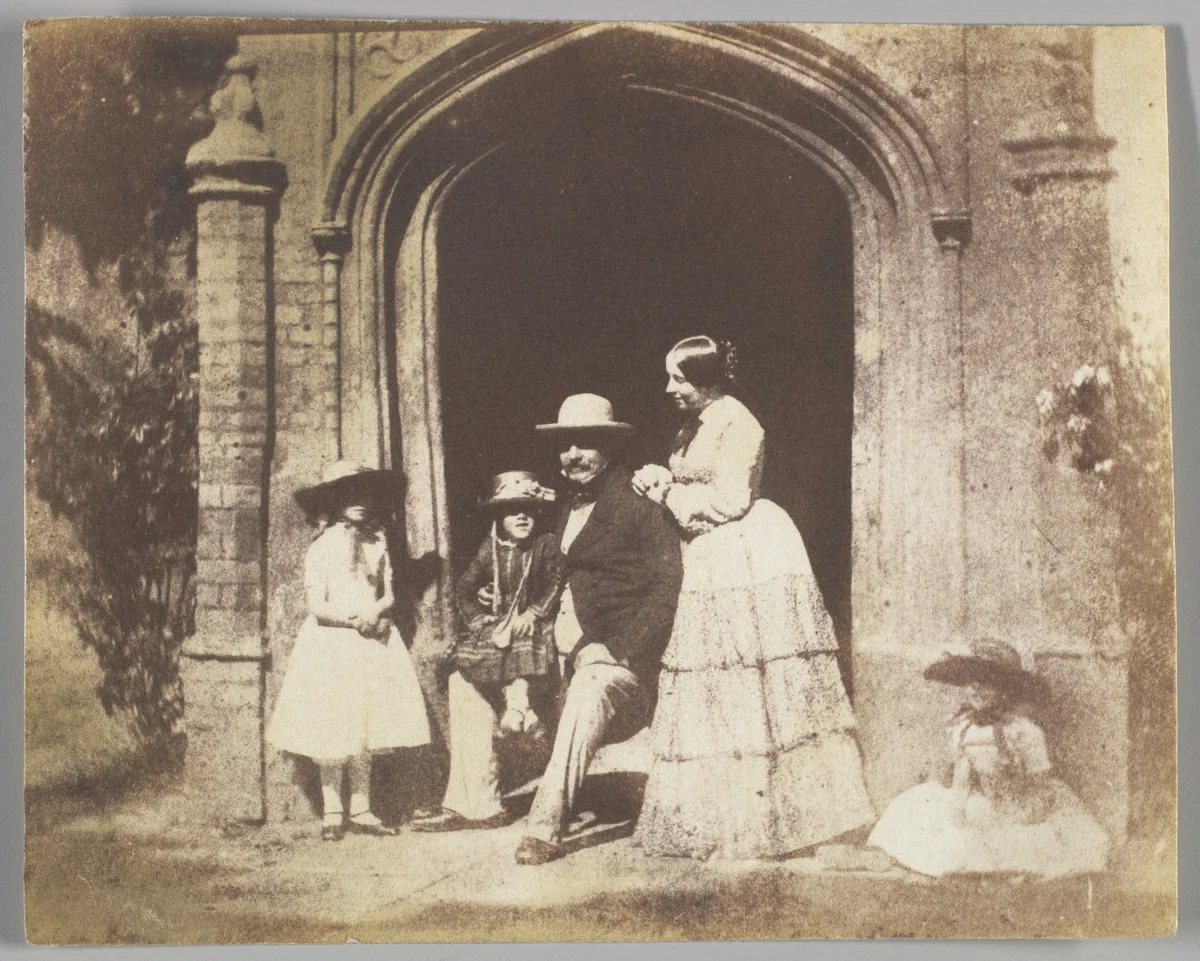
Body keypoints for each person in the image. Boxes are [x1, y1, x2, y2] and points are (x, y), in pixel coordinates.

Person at [631, 335, 874, 860]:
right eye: (670, 377)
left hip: (745, 552)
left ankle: (779, 820)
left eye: (680, 378)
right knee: (716, 682)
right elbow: (694, 477)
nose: (670, 388)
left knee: (752, 677)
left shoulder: (740, 422)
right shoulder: (693, 424)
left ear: (708, 379)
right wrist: (661, 475)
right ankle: (717, 818)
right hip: (709, 554)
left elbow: (730, 500)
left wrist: (667, 493)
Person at [513, 393, 684, 865]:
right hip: (558, 650)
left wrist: (618, 649)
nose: (572, 455)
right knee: (466, 680)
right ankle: (472, 801)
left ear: (609, 447)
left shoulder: (639, 505)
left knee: (590, 687)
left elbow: (667, 588)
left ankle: (544, 826)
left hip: (618, 662)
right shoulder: (563, 505)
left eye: (585, 444)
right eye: (565, 445)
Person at [266, 461, 431, 840]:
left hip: (373, 640)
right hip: (333, 642)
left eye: (365, 493)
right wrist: (354, 619)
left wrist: (376, 612)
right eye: (348, 493)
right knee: (335, 724)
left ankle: (362, 808)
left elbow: (388, 593)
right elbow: (317, 606)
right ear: (334, 500)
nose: (359, 501)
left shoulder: (378, 542)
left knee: (366, 724)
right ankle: (332, 811)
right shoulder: (322, 547)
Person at [867, 637, 1110, 878]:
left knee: (1029, 840)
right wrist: (959, 811)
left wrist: (1025, 810)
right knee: (943, 819)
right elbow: (961, 779)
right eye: (972, 681)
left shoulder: (1023, 731)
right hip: (983, 799)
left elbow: (1039, 782)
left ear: (1006, 690)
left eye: (986, 682)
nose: (976, 688)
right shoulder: (964, 729)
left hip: (1021, 800)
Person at [450, 471, 562, 735]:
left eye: (528, 510)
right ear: (499, 517)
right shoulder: (490, 549)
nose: (522, 516)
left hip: (534, 621)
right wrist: (479, 618)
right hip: (502, 621)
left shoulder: (544, 544)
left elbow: (556, 581)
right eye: (512, 511)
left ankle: (517, 708)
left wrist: (532, 614)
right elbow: (464, 589)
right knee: (479, 650)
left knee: (524, 637)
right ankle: (522, 712)